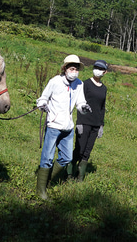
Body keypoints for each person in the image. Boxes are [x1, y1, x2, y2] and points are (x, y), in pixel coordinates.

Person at [35, 54, 91, 200]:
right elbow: (43, 98)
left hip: (68, 127)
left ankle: (47, 180)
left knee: (67, 158)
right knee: (47, 157)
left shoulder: (79, 84)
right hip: (53, 125)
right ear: (65, 69)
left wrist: (84, 107)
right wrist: (42, 105)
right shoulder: (55, 82)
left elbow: (80, 102)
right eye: (72, 68)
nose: (74, 71)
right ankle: (41, 190)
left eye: (76, 69)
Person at [72, 59, 108, 181]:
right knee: (80, 149)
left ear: (105, 72)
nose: (97, 70)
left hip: (95, 124)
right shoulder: (85, 84)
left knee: (87, 151)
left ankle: (80, 177)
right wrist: (79, 122)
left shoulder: (104, 89)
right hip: (84, 122)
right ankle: (69, 173)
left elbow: (102, 107)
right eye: (96, 67)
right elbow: (79, 103)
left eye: (100, 68)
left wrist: (101, 125)